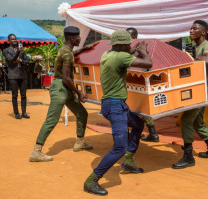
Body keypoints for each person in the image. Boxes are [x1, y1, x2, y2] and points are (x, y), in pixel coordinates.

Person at [84, 30, 152, 196]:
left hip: (114, 105)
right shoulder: (122, 57)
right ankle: (91, 180)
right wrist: (142, 50)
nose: (130, 45)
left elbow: (124, 53)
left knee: (138, 124)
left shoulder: (107, 54)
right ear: (121, 45)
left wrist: (133, 49)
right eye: (128, 43)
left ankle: (128, 161)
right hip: (115, 107)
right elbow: (148, 63)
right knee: (119, 147)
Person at [29, 26, 96, 162]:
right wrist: (79, 93)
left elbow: (72, 54)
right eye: (78, 36)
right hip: (61, 88)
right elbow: (66, 78)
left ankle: (79, 142)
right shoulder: (67, 54)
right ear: (71, 38)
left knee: (82, 113)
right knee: (51, 120)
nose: (80, 38)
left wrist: (84, 48)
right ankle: (36, 152)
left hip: (65, 88)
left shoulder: (66, 50)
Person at [172, 20, 208, 169]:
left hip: (203, 88)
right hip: (198, 87)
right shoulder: (195, 47)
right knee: (197, 122)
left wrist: (188, 57)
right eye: (191, 28)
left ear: (203, 32)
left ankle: (188, 157)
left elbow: (207, 60)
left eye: (195, 28)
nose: (191, 31)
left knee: (186, 119)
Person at [126, 27, 159, 142]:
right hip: (129, 82)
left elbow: (148, 64)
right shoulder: (127, 49)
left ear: (135, 37)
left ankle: (151, 134)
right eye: (127, 35)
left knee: (141, 109)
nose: (129, 38)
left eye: (131, 36)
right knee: (131, 108)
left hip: (140, 81)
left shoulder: (141, 50)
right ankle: (149, 133)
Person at [3, 34, 30, 119]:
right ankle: (16, 113)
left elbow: (27, 61)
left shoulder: (22, 50)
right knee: (14, 96)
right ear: (9, 41)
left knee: (23, 95)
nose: (15, 40)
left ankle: (24, 112)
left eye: (15, 39)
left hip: (22, 75)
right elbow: (10, 60)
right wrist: (18, 53)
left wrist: (20, 60)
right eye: (13, 39)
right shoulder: (6, 50)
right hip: (13, 76)